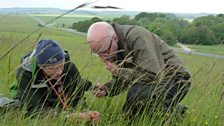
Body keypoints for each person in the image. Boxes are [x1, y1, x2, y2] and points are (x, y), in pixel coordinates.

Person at [86, 22, 191, 118]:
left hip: (176, 77)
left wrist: (118, 71)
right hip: (157, 80)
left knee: (138, 96)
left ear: (115, 39)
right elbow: (123, 80)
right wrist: (107, 89)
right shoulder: (114, 48)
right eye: (98, 54)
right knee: (140, 101)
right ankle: (180, 111)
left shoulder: (136, 36)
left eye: (105, 52)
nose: (103, 58)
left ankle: (175, 115)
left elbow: (151, 75)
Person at [16, 39, 100, 121]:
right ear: (41, 66)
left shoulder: (68, 66)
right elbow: (35, 108)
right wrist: (67, 117)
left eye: (61, 66)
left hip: (58, 101)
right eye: (52, 68)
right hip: (38, 101)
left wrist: (86, 112)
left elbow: (77, 95)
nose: (59, 72)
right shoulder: (25, 73)